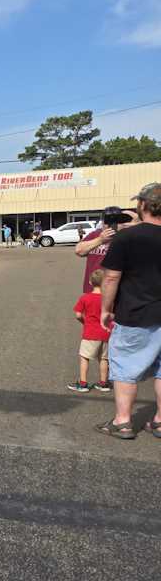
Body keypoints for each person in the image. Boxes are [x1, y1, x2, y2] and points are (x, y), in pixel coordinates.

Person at [97, 183, 161, 439]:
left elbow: (111, 278)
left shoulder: (127, 237)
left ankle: (122, 421)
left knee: (125, 367)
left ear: (143, 205)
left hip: (135, 312)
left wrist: (105, 308)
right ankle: (159, 421)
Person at [75, 206, 139, 293]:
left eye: (115, 221)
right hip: (94, 290)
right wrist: (100, 240)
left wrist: (137, 221)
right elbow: (79, 251)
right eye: (107, 220)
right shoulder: (95, 235)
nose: (110, 225)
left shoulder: (128, 236)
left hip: (118, 291)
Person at [68, 269, 112, 393]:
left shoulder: (85, 298)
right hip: (105, 333)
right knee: (104, 358)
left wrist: (84, 321)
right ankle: (103, 383)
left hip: (90, 333)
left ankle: (83, 383)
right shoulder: (108, 299)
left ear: (90, 282)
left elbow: (78, 314)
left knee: (84, 357)